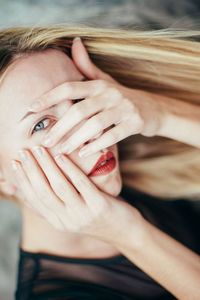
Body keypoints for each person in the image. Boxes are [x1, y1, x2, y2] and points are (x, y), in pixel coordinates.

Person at [0, 24, 199, 300]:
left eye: (82, 98)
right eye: (42, 124)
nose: (94, 128)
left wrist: (158, 114)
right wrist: (127, 232)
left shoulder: (142, 169)